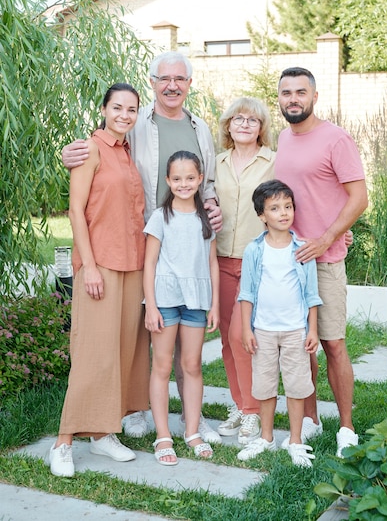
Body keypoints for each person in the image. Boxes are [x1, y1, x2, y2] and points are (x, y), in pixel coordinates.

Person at [62, 51, 222, 444]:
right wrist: (68, 153)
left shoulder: (201, 128)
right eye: (164, 78)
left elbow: (211, 180)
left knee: (175, 334)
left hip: (184, 236)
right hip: (146, 236)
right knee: (148, 327)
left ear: (188, 84)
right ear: (153, 82)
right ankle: (134, 412)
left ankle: (191, 419)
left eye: (180, 79)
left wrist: (212, 205)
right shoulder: (136, 123)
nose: (172, 85)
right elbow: (100, 151)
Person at [47, 83, 146, 477]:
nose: (124, 115)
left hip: (132, 264)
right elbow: (74, 211)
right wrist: (87, 266)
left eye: (132, 109)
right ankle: (63, 442)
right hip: (99, 264)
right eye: (117, 107)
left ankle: (103, 433)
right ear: (103, 108)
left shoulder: (127, 152)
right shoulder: (89, 149)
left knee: (123, 351)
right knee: (92, 354)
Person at [275, 67, 368, 457]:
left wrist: (328, 237)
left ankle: (346, 427)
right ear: (278, 98)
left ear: (314, 96)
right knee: (300, 346)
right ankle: (310, 420)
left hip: (325, 261)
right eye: (286, 93)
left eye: (300, 92)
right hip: (289, 261)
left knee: (332, 343)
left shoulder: (336, 139)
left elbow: (359, 198)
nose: (293, 99)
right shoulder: (282, 138)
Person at [236, 180, 321, 466]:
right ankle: (267, 438)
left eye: (287, 207)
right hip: (263, 330)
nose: (283, 213)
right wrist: (246, 328)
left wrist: (313, 329)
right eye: (274, 208)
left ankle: (295, 440)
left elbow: (311, 295)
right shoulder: (254, 251)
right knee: (265, 384)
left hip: (296, 330)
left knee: (297, 385)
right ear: (262, 215)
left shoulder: (302, 250)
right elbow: (246, 293)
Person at [143, 151, 220, 465]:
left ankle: (192, 431)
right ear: (167, 181)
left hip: (196, 302)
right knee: (162, 367)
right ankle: (163, 435)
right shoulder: (161, 217)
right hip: (165, 298)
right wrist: (150, 305)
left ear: (200, 179)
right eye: (177, 179)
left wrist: (214, 304)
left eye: (190, 178)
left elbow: (212, 262)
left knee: (192, 366)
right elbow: (149, 263)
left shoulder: (206, 218)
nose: (184, 184)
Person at [214, 97, 275, 445]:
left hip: (256, 262)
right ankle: (239, 404)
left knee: (242, 336)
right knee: (226, 338)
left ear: (262, 128)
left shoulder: (274, 162)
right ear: (228, 125)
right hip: (221, 258)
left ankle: (252, 411)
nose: (244, 124)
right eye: (237, 118)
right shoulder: (217, 162)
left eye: (252, 120)